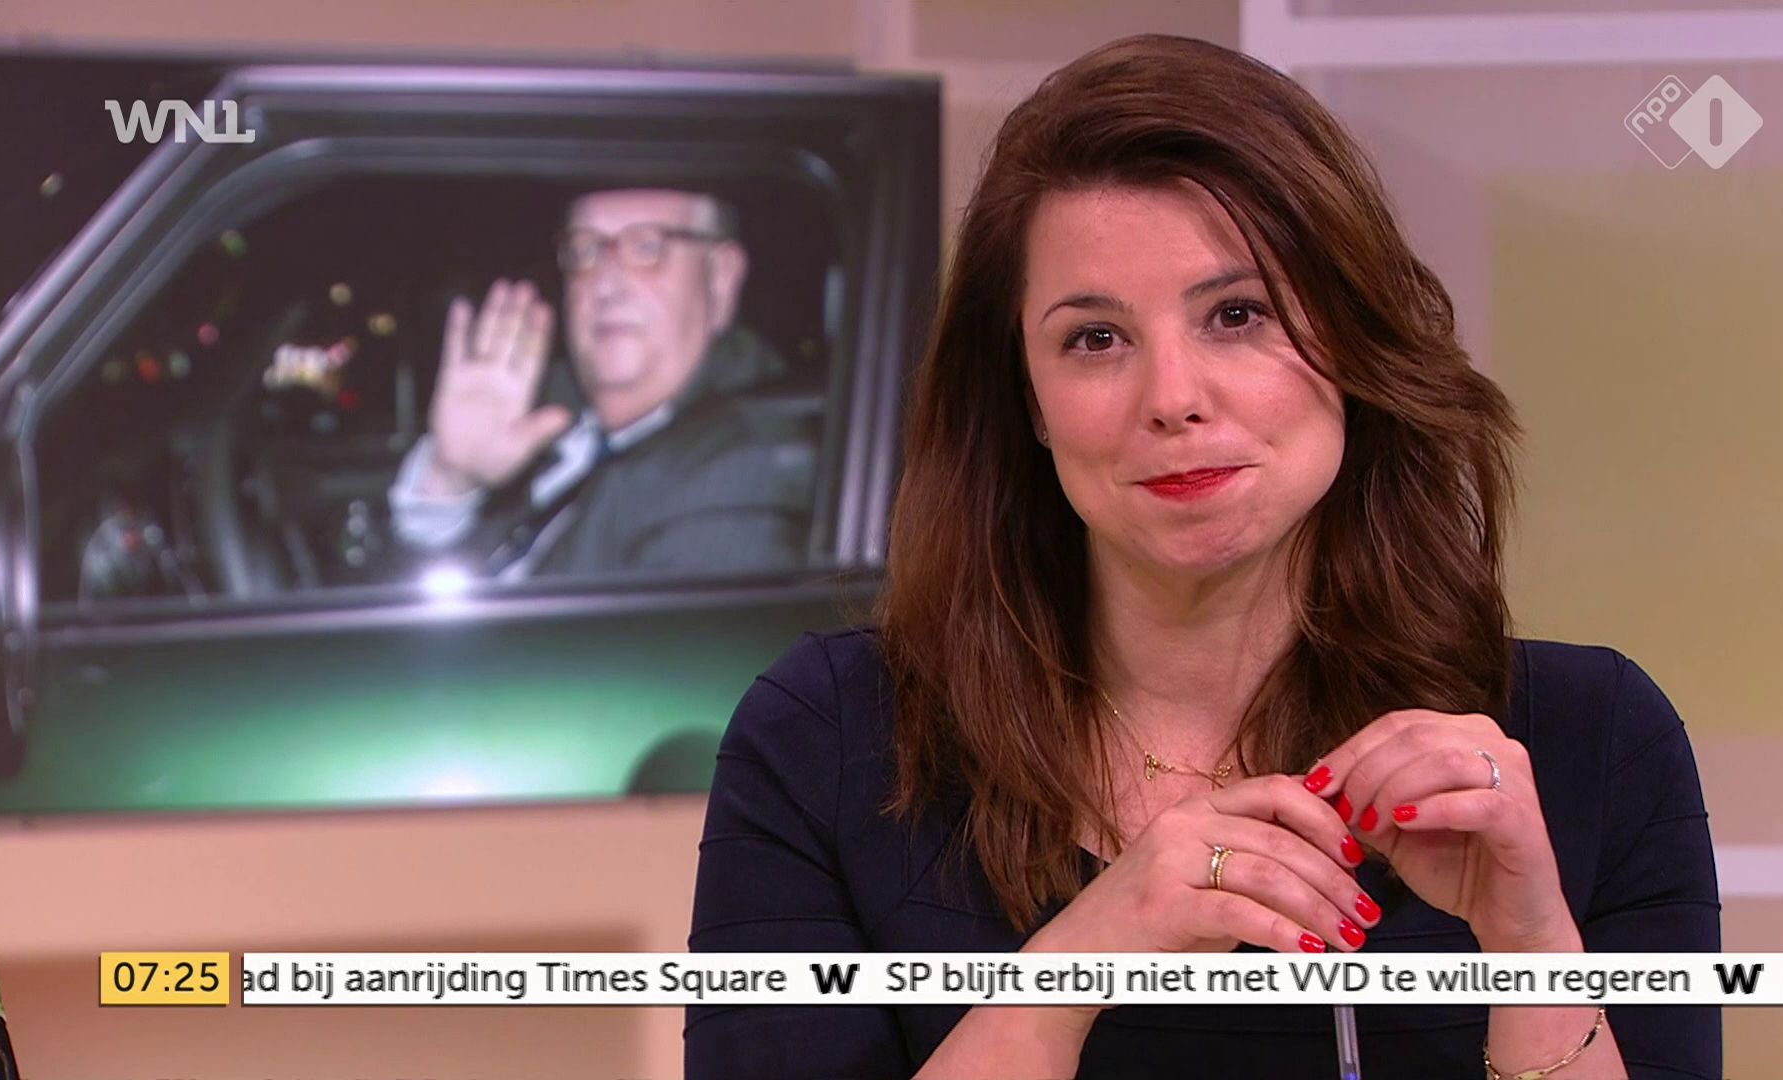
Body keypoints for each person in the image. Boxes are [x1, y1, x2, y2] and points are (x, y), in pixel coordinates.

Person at [687, 34, 1720, 1080]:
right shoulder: (830, 740)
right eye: (1096, 338)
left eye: (1237, 314)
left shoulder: (1594, 741)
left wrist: (1532, 949)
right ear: (1028, 402)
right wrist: (1084, 955)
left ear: (1353, 345)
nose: (1173, 398)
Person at [387, 188, 816, 581]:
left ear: (720, 279)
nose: (605, 285)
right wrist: (450, 481)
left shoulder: (740, 471)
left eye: (648, 247)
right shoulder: (542, 409)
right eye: (585, 250)